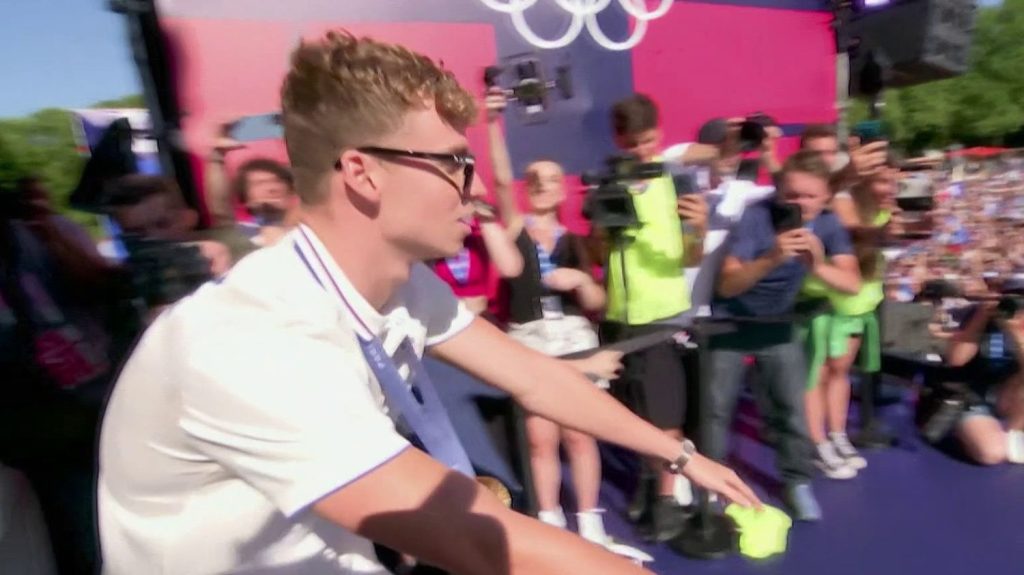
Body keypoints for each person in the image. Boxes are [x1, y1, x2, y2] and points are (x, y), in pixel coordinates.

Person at [97, 30, 760, 575]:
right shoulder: (251, 340)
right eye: (451, 162)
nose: (472, 189)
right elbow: (474, 539)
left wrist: (681, 456)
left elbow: (535, 376)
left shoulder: (404, 283)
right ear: (363, 172)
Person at [484, 87, 638, 556]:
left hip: (574, 339)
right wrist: (492, 122)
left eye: (551, 178)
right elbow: (503, 178)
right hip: (531, 340)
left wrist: (579, 282)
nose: (542, 183)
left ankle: (590, 524)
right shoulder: (516, 227)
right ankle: (550, 524)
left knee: (580, 432)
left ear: (561, 187)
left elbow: (598, 300)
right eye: (536, 177)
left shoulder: (575, 240)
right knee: (539, 437)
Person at [710, 150, 861, 521]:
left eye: (809, 197)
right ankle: (711, 488)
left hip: (779, 326)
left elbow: (852, 285)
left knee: (792, 410)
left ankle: (797, 482)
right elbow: (728, 286)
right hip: (730, 324)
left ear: (826, 196)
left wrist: (819, 266)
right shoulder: (756, 217)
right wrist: (772, 259)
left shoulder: (827, 224)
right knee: (715, 412)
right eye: (791, 195)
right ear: (779, 191)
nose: (799, 204)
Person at [594, 93, 714, 541]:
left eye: (649, 141)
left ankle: (667, 495)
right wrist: (599, 229)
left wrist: (699, 229)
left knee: (665, 414)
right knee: (636, 416)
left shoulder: (677, 180)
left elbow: (691, 256)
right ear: (618, 139)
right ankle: (654, 483)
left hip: (662, 316)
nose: (643, 151)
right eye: (633, 144)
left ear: (659, 134)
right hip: (617, 315)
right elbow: (595, 253)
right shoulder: (610, 181)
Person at [802, 154, 898, 479]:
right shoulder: (841, 206)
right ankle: (817, 442)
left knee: (841, 372)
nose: (890, 188)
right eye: (883, 180)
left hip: (859, 307)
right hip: (826, 306)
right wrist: (885, 232)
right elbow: (857, 232)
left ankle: (837, 434)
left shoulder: (883, 210)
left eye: (894, 181)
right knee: (818, 375)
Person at [943, 291, 1024, 465]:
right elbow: (956, 360)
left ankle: (1012, 434)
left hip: (1012, 400)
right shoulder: (976, 315)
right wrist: (980, 318)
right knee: (991, 454)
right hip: (972, 396)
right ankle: (964, 428)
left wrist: (1015, 334)